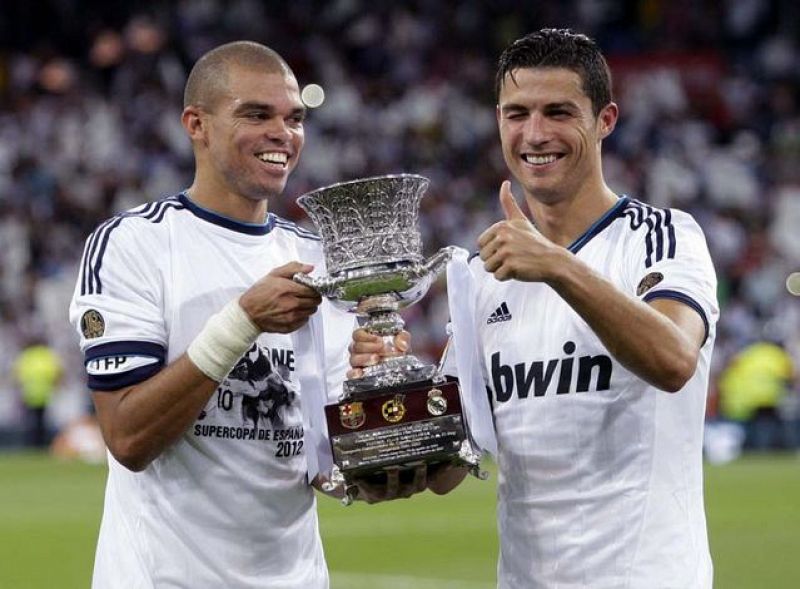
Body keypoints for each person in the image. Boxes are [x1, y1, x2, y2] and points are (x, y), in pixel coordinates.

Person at [353, 28, 719, 588]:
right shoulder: (482, 275)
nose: (535, 133)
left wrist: (556, 265)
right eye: (516, 113)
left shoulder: (662, 236)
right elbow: (453, 459)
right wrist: (388, 401)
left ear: (605, 120)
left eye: (558, 112)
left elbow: (673, 359)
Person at [68, 41, 359, 588]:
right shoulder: (135, 245)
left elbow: (325, 461)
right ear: (196, 124)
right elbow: (129, 438)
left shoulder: (318, 257)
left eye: (294, 118)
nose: (284, 133)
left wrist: (388, 429)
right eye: (257, 114)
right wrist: (242, 321)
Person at [12, 337, 63, 447]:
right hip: (44, 394)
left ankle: (30, 443)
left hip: (29, 394)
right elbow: (56, 373)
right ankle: (40, 444)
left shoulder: (27, 356)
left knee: (29, 421)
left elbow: (18, 374)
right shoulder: (47, 355)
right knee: (41, 421)